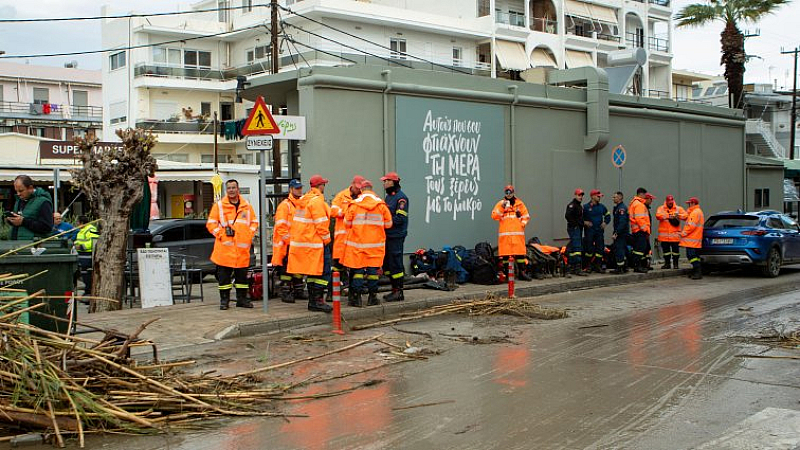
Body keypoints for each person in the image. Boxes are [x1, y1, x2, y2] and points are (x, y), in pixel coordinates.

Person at [206, 179, 258, 310]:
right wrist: (222, 234)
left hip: (241, 250)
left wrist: (248, 236)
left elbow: (254, 223)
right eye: (229, 188)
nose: (231, 190)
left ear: (238, 189)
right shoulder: (219, 206)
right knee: (224, 279)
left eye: (233, 187)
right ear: (226, 190)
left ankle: (242, 300)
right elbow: (211, 224)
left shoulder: (246, 205)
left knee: (242, 279)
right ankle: (224, 301)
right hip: (225, 249)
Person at [342, 179, 392, 307]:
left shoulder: (354, 205)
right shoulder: (381, 205)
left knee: (358, 272)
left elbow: (346, 224)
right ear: (371, 189)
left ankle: (357, 298)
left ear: (361, 190)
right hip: (375, 245)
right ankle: (372, 297)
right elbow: (388, 224)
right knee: (372, 272)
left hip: (358, 244)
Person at [287, 174, 333, 313]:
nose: (324, 186)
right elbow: (321, 224)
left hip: (306, 244)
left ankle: (313, 301)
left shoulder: (304, 200)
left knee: (313, 273)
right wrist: (327, 241)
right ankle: (317, 300)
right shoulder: (317, 201)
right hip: (317, 243)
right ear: (320, 186)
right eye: (323, 184)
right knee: (324, 273)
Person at [331, 175, 365, 296]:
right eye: (357, 187)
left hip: (354, 239)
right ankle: (331, 293)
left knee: (354, 266)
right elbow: (333, 211)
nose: (358, 190)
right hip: (342, 239)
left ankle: (351, 292)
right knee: (337, 266)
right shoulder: (341, 196)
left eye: (360, 188)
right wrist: (346, 213)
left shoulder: (362, 197)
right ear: (352, 184)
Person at [272, 179, 305, 304]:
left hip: (298, 244)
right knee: (286, 270)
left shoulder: (301, 205)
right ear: (291, 189)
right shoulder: (285, 206)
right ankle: (285, 292)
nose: (299, 190)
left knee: (298, 269)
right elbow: (281, 227)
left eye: (300, 188)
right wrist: (290, 242)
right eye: (297, 188)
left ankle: (298, 290)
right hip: (287, 244)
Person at [491, 185, 531, 280]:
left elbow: (526, 216)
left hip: (517, 234)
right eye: (507, 192)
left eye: (510, 192)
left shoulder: (520, 204)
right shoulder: (501, 204)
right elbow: (494, 216)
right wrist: (502, 208)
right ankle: (507, 274)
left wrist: (521, 224)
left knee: (520, 254)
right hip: (505, 235)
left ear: (513, 192)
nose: (508, 194)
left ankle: (522, 272)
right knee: (505, 255)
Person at [381, 171, 410, 302]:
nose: (384, 183)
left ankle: (398, 292)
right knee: (388, 264)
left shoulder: (401, 198)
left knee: (396, 264)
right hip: (388, 236)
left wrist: (384, 221)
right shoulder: (389, 197)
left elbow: (400, 219)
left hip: (396, 237)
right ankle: (394, 290)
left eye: (386, 181)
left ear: (393, 182)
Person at [6, 175, 54, 240]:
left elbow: (47, 227)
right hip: (17, 243)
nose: (18, 194)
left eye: (21, 191)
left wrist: (23, 221)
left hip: (33, 246)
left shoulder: (43, 202)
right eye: (16, 191)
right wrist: (11, 220)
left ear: (30, 188)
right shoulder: (19, 201)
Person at [655, 195, 688, 269]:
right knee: (666, 252)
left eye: (671, 201)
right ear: (666, 201)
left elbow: (686, 216)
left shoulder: (678, 208)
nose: (670, 203)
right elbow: (658, 215)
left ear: (673, 201)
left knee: (675, 252)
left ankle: (676, 264)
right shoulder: (661, 208)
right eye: (669, 201)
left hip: (674, 236)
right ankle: (667, 264)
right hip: (664, 237)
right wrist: (668, 216)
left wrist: (677, 215)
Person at [583, 189, 611, 273]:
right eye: (598, 196)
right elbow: (579, 218)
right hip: (589, 232)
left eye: (600, 196)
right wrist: (585, 222)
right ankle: (588, 266)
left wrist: (605, 222)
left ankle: (597, 266)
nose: (599, 198)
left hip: (599, 232)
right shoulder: (585, 207)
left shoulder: (602, 207)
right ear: (592, 196)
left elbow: (608, 216)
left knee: (600, 249)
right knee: (589, 250)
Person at [74, 215, 99, 297]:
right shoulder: (81, 230)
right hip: (81, 255)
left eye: (77, 222)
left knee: (87, 274)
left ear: (81, 222)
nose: (76, 224)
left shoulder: (91, 229)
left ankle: (89, 291)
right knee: (83, 274)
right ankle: (87, 290)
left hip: (87, 255)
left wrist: (81, 246)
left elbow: (94, 241)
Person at [680, 197, 705, 280]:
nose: (688, 205)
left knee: (691, 256)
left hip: (691, 240)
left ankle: (697, 272)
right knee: (696, 256)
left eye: (689, 203)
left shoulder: (695, 213)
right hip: (696, 240)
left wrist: (683, 233)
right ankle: (696, 271)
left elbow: (691, 226)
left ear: (693, 203)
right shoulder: (698, 212)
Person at [629, 188, 652, 273]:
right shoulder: (639, 204)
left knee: (639, 249)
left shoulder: (635, 203)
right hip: (640, 230)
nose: (645, 197)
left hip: (637, 230)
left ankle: (639, 265)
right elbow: (639, 218)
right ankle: (637, 266)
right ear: (641, 194)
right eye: (645, 195)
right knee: (639, 249)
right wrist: (645, 229)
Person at [565, 188, 587, 276]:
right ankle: (576, 268)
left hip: (577, 228)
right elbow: (567, 216)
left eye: (581, 195)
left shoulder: (579, 206)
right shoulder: (572, 205)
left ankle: (573, 267)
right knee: (577, 248)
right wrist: (576, 224)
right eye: (579, 195)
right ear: (575, 195)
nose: (580, 197)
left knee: (575, 248)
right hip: (574, 228)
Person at [610, 191, 630, 274]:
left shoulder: (621, 208)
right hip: (621, 232)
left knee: (619, 249)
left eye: (615, 197)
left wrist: (616, 233)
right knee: (622, 249)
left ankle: (620, 268)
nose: (613, 198)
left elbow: (622, 222)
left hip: (621, 233)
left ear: (620, 198)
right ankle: (624, 267)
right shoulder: (618, 207)